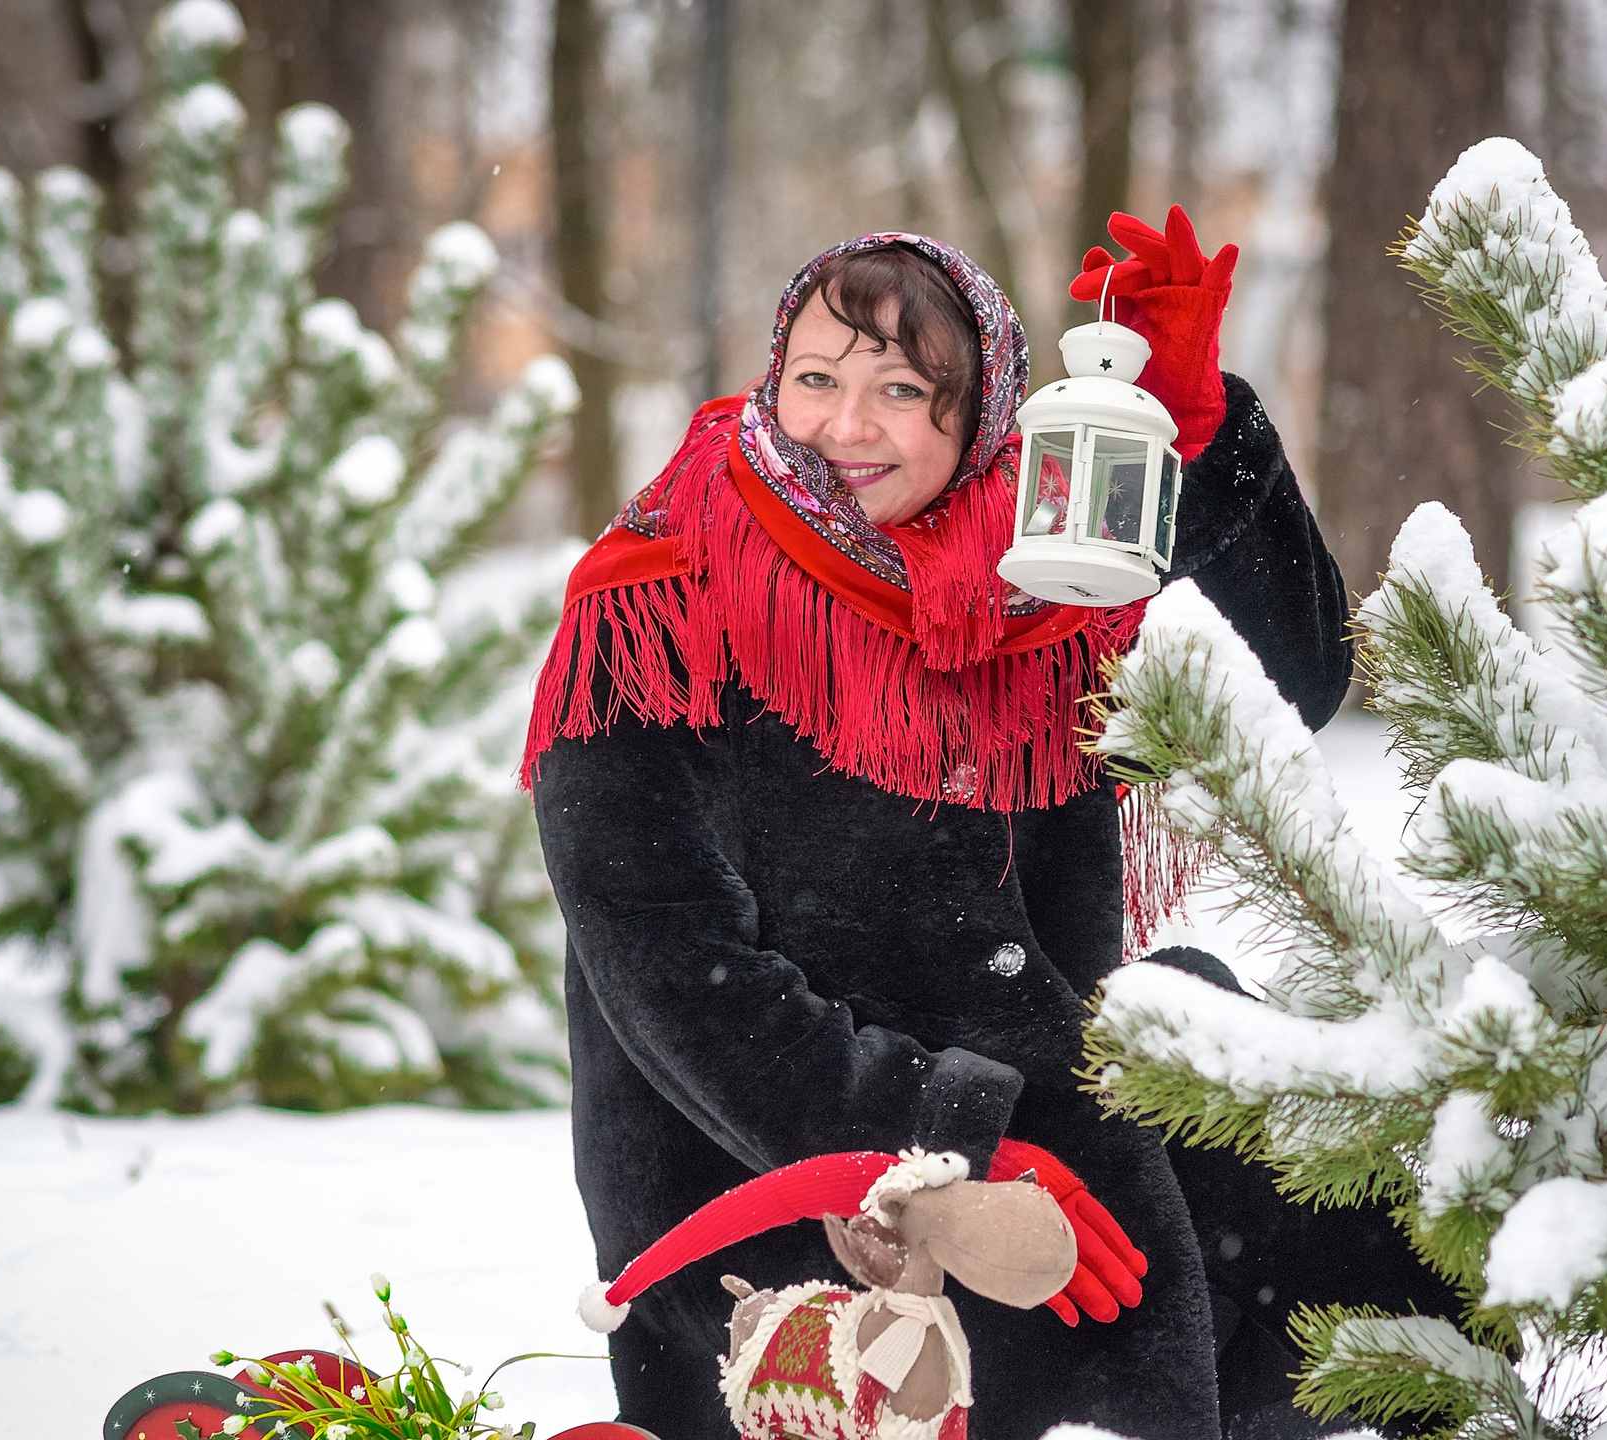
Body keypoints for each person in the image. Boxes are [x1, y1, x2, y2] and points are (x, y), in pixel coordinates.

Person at [526, 213, 1461, 1440]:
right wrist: (947, 1144)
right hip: (793, 1184)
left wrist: (1195, 436)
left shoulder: (1043, 587)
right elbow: (670, 974)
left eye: (901, 391)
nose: (843, 427)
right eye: (815, 379)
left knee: (1382, 1267)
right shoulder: (657, 606)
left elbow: (1287, 683)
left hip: (1067, 1115)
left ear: (979, 422)